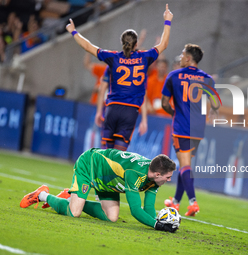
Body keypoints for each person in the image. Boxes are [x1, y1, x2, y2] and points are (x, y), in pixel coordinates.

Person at [66, 4, 173, 151]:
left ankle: (100, 174)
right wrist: (167, 21)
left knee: (106, 151)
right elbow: (164, 44)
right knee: (119, 155)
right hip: (130, 111)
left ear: (122, 43)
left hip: (112, 109)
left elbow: (88, 46)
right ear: (136, 44)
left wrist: (73, 32)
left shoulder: (113, 58)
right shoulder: (144, 57)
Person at [20, 149, 178, 232]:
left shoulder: (155, 178)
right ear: (158, 174)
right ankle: (42, 195)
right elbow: (135, 210)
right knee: (74, 212)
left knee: (112, 217)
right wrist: (157, 225)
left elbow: (149, 207)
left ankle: (71, 197)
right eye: (168, 177)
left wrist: (159, 222)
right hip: (91, 165)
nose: (169, 180)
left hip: (109, 180)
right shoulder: (135, 174)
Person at [161, 43, 220, 216]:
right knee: (185, 164)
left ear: (188, 57)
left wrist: (174, 113)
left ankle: (193, 202)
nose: (180, 57)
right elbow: (215, 103)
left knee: (185, 164)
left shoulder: (174, 76)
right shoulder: (208, 79)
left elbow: (164, 103)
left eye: (182, 53)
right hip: (198, 128)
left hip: (181, 126)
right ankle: (176, 202)